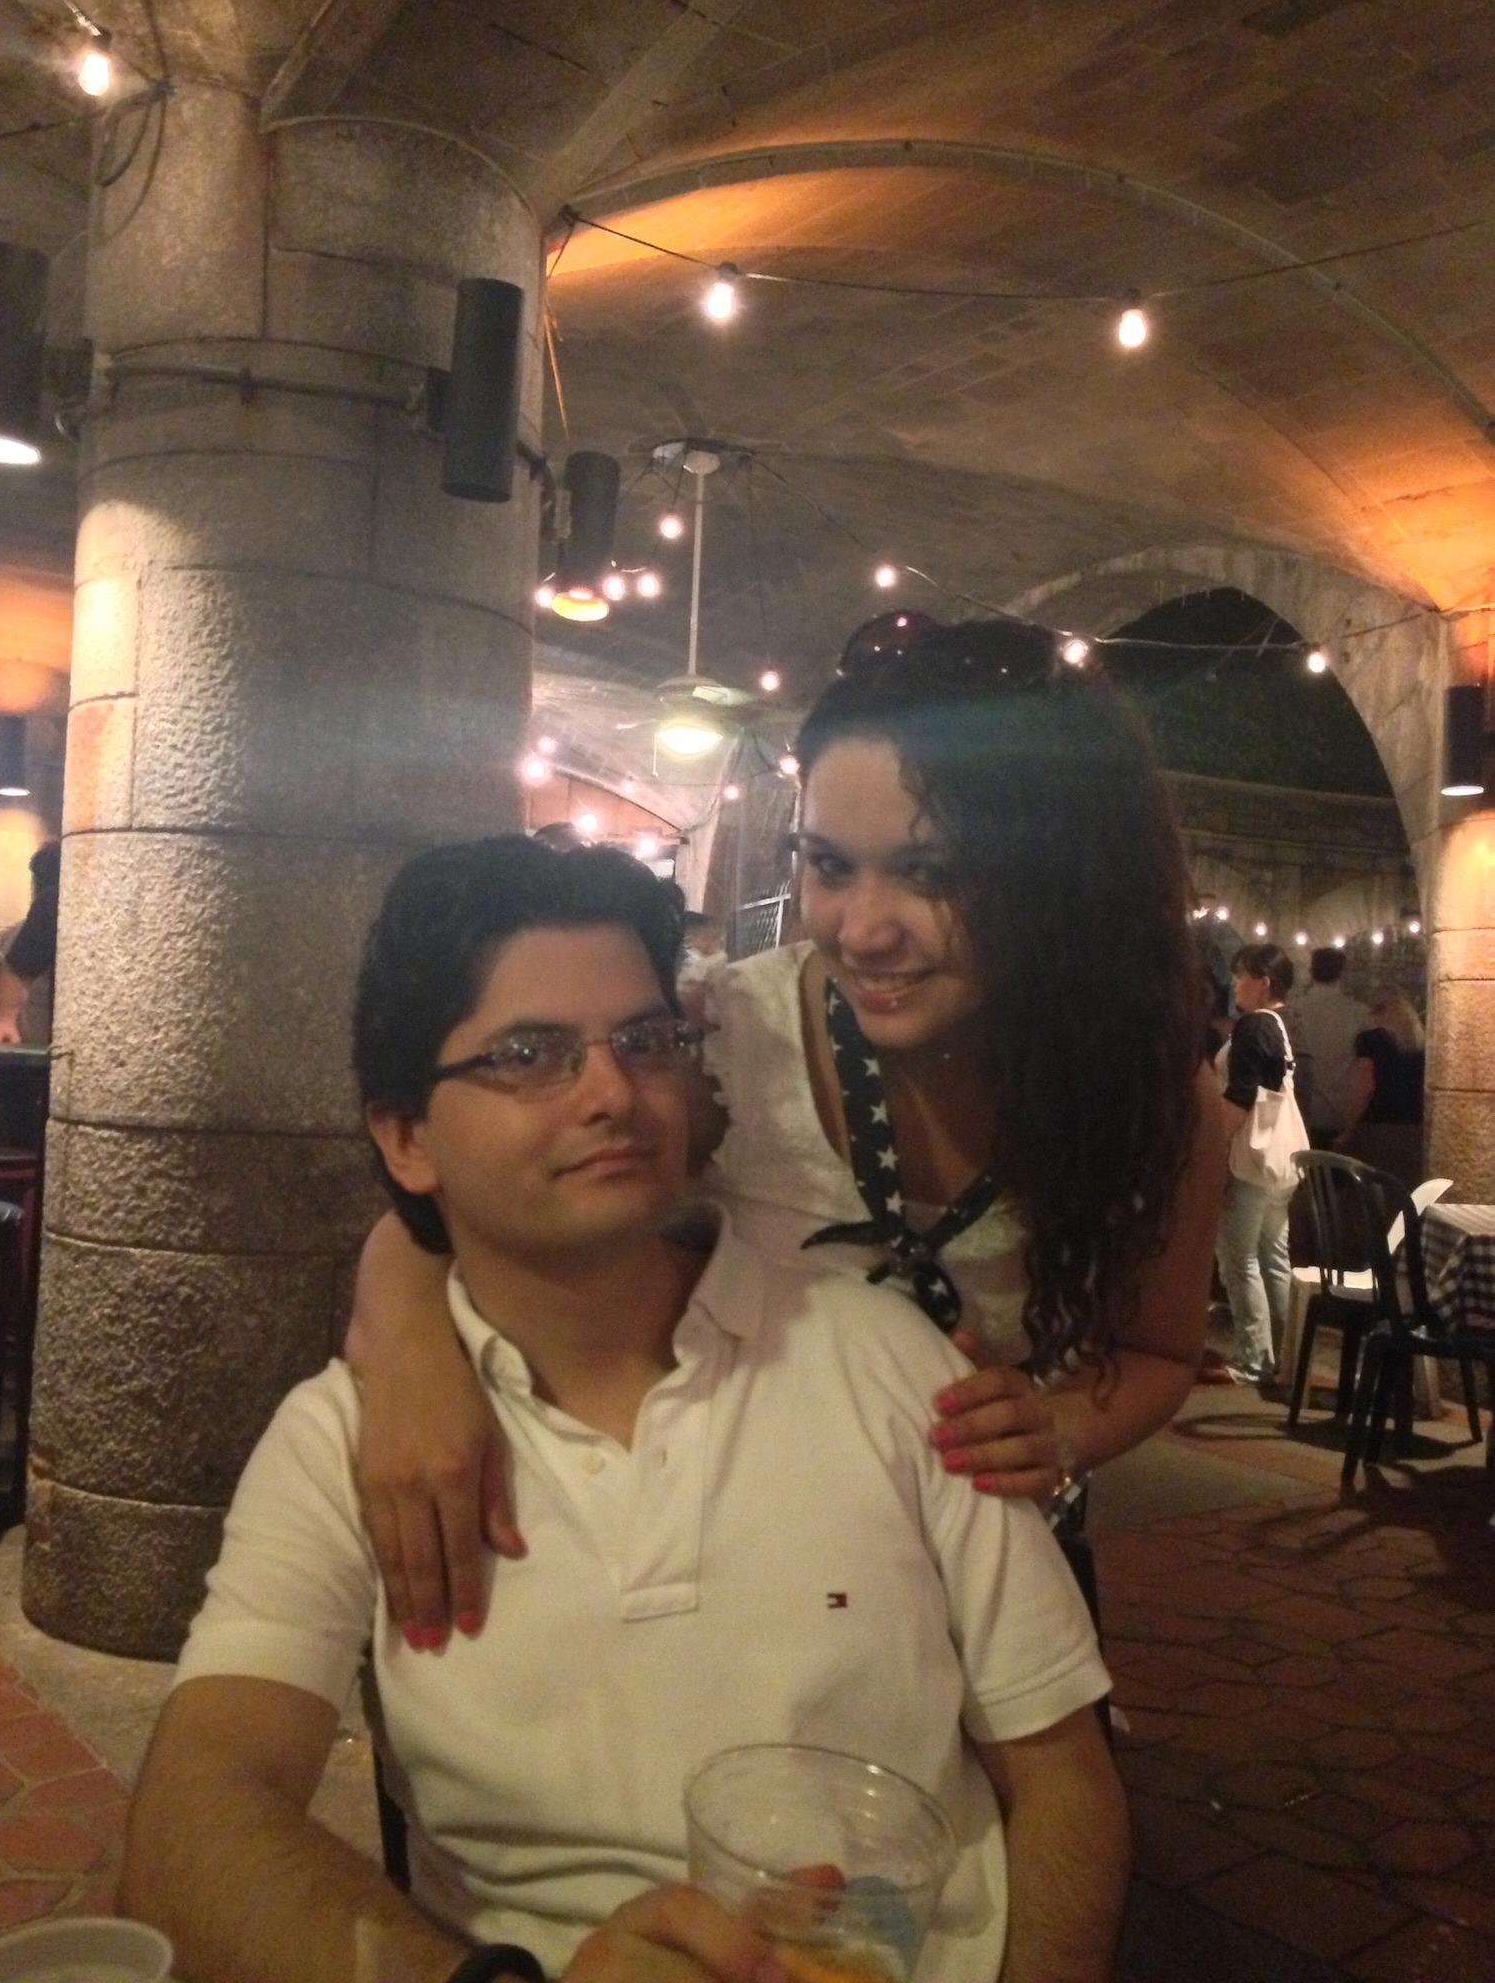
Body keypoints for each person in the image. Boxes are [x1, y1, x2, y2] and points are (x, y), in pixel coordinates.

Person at [120, 838, 1126, 1983]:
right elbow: (192, 1818)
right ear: (407, 1136)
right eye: (529, 1055)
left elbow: (1063, 1776)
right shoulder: (347, 1442)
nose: (613, 1093)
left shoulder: (886, 1356)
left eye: (645, 1041)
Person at [347, 614, 1227, 1640]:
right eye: (831, 865)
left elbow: (1158, 1352)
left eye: (932, 874)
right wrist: (410, 1359)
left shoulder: (1147, 1093)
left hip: (986, 1582)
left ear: (1065, 878)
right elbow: (446, 1212)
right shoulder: (725, 1039)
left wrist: (1061, 1427)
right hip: (746, 1577)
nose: (863, 928)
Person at [1208, 942, 1306, 1386]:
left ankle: (1255, 1358)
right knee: (1273, 1258)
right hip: (1281, 1160)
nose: (1234, 984)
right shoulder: (1286, 1024)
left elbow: (1241, 1096)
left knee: (1238, 1258)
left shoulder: (1253, 1026)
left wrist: (1215, 1149)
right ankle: (1288, 1357)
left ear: (1263, 981)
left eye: (1240, 975)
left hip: (1250, 1160)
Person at [1335, 982, 1425, 1188]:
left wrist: (1348, 1129)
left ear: (1377, 1010)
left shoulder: (1370, 1040)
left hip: (1378, 1128)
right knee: (1407, 1192)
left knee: (1377, 1193)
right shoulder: (1421, 1043)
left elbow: (1365, 1087)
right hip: (1415, 1129)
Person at [1292, 947, 1367, 1147]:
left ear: (1311, 971)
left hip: (1302, 1111)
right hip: (1342, 1113)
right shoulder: (1358, 1013)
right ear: (1342, 972)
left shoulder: (1295, 1010)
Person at [0, 838, 59, 1045]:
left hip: (27, 1043)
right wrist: (4, 1020)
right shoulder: (52, 906)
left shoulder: (8, 935)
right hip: (38, 1044)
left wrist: (4, 1020)